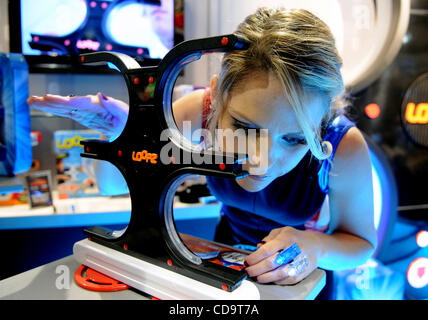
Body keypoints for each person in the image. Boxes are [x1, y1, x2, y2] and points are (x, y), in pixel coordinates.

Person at [28, 8, 377, 294]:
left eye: (296, 139)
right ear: (217, 98)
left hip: (301, 274)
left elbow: (361, 243)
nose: (262, 160)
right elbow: (110, 185)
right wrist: (127, 134)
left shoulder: (343, 146)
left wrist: (314, 246)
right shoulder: (200, 110)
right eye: (243, 127)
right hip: (224, 257)